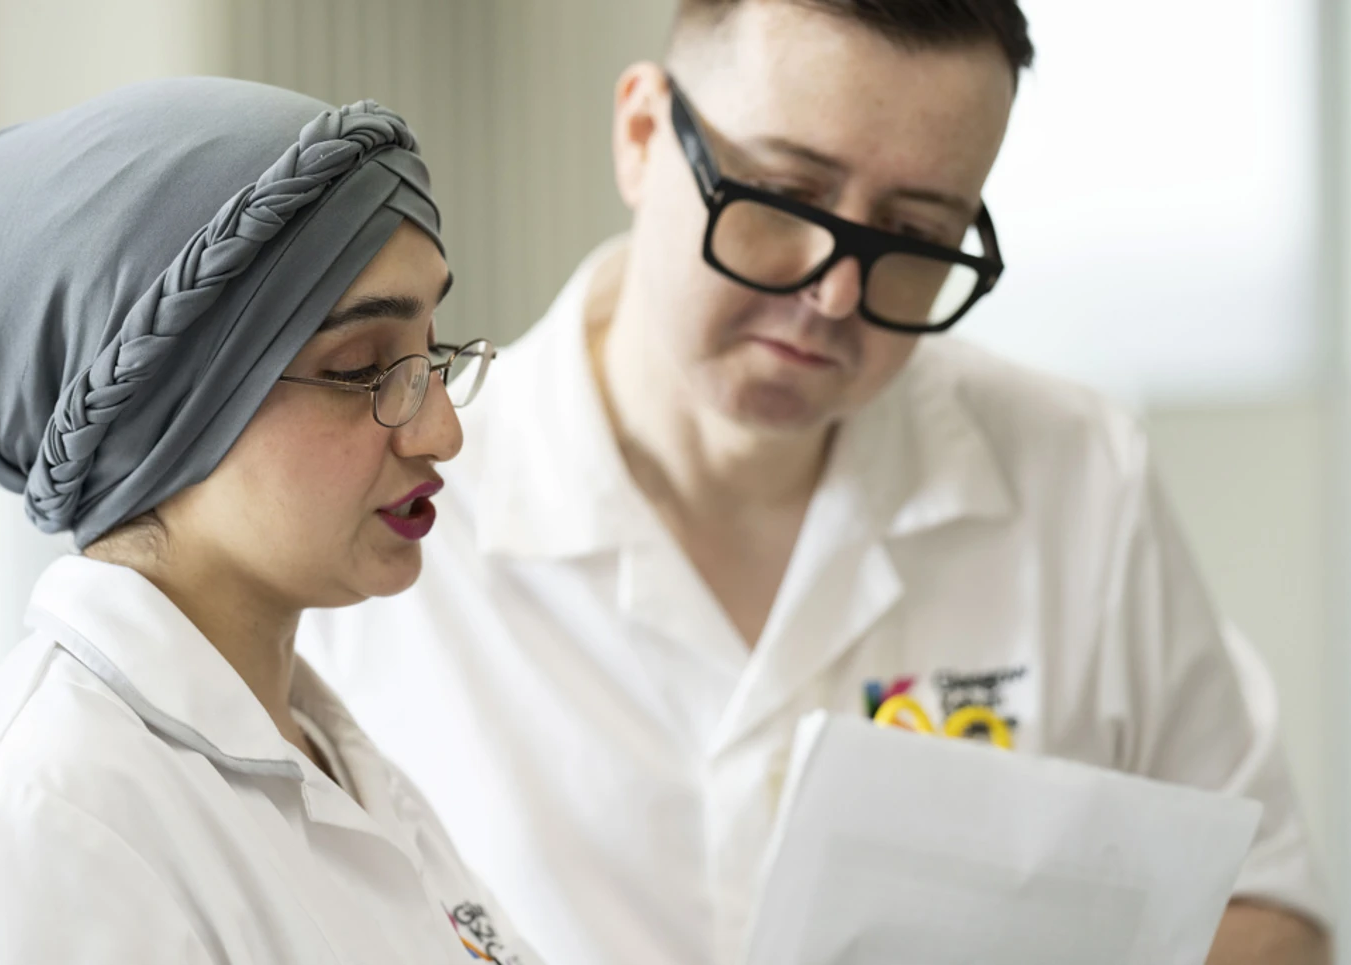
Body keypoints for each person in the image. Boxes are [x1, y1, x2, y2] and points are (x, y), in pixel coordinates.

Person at [297, 2, 1333, 963]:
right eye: (782, 197)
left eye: (916, 237)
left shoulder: (1076, 471)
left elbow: (1276, 915)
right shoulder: (396, 505)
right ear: (644, 134)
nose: (833, 291)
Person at [0, 77, 535, 964]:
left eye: (431, 350)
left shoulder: (325, 755)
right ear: (164, 417)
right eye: (362, 366)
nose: (442, 428)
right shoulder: (35, 829)